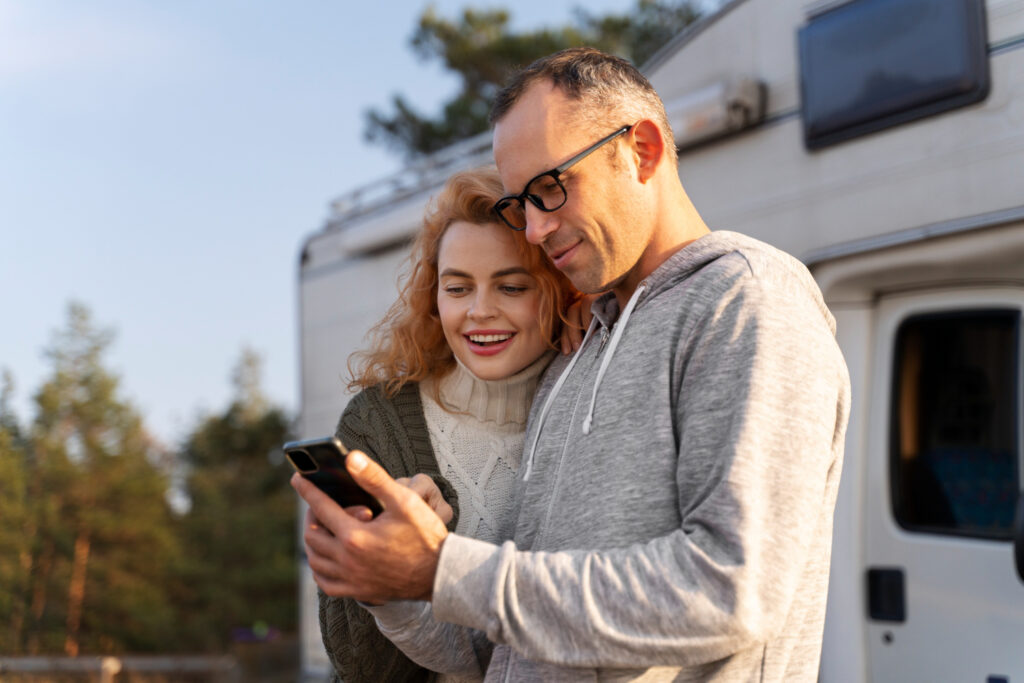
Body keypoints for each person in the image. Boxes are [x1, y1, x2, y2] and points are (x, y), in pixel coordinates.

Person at [294, 47, 851, 681]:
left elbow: (730, 591)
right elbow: (501, 650)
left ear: (640, 149)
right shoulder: (575, 356)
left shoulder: (747, 301)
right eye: (518, 204)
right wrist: (392, 578)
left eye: (550, 188)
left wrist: (444, 569)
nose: (533, 228)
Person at [313, 166, 579, 682]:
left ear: (561, 289)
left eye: (512, 286)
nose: (480, 311)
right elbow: (359, 666)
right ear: (433, 298)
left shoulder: (592, 397)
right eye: (457, 288)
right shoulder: (380, 423)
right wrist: (383, 573)